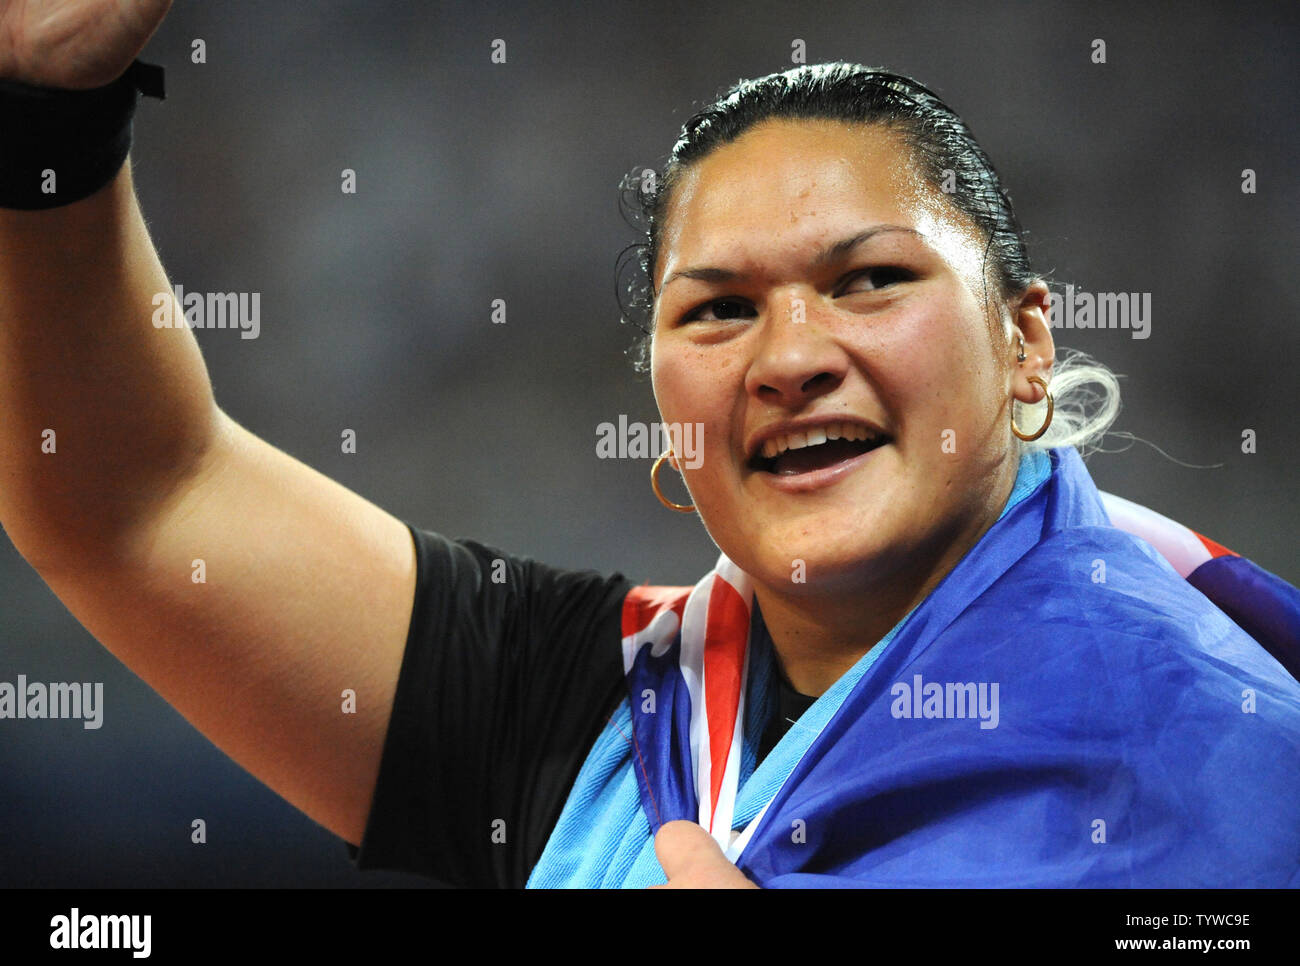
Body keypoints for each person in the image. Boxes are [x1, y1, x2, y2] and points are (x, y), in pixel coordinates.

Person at [1, 2, 1296, 889]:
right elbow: (135, 501)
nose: (789, 357)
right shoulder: (603, 721)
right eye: (720, 308)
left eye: (868, 281)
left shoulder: (1227, 746)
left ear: (1025, 345)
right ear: (672, 431)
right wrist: (45, 118)